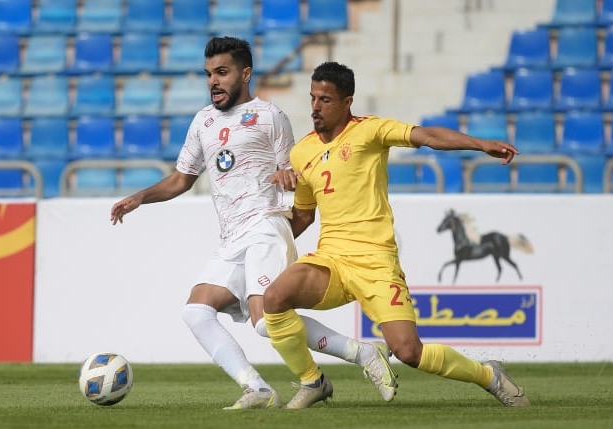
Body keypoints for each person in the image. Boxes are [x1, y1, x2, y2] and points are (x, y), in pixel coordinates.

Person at [110, 38, 398, 410]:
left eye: (222, 73)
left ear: (245, 74)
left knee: (265, 322)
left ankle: (361, 355)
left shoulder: (270, 116)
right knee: (196, 312)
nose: (213, 81)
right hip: (231, 237)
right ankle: (257, 388)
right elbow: (182, 178)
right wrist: (140, 198)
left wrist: (288, 181)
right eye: (209, 74)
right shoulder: (203, 121)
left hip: (266, 226)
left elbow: (293, 171)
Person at [263, 61, 531, 409]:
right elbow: (303, 216)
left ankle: (489, 376)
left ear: (347, 102)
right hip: (331, 259)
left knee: (408, 351)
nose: (315, 107)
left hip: (375, 261)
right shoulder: (301, 152)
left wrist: (479, 144)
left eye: (325, 100)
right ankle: (312, 381)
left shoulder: (371, 131)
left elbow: (429, 136)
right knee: (273, 298)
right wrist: (265, 229)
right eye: (313, 98)